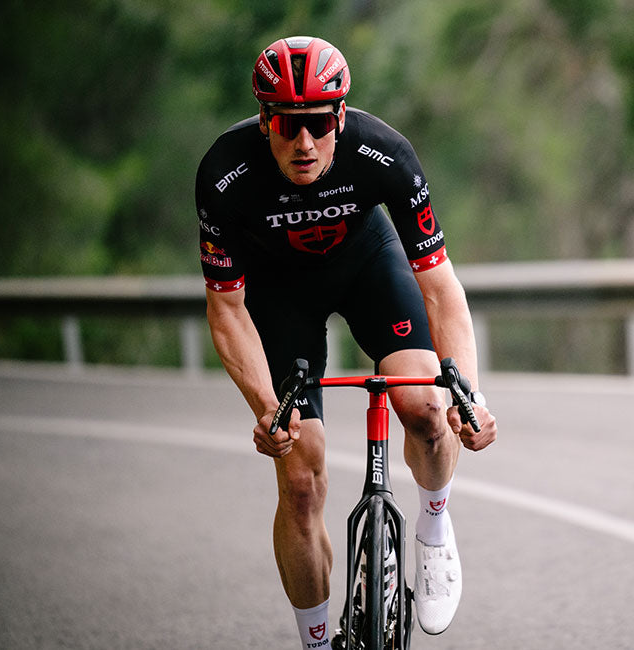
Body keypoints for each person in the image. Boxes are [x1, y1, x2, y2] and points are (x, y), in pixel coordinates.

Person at [196, 35, 497, 648]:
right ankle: (315, 642)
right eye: (288, 125)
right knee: (300, 479)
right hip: (279, 293)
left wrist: (467, 392)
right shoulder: (225, 174)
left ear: (339, 116)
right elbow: (226, 307)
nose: (305, 142)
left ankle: (434, 528)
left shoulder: (384, 153)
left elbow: (440, 286)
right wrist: (266, 410)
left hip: (367, 268)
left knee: (425, 408)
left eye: (318, 123)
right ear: (265, 120)